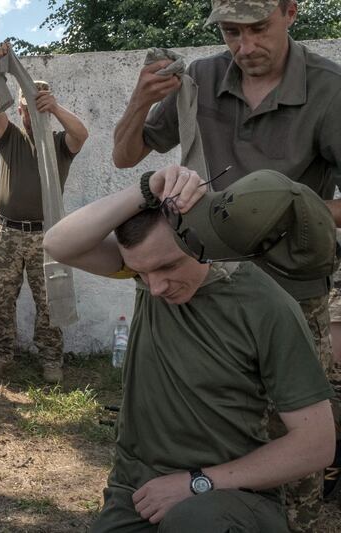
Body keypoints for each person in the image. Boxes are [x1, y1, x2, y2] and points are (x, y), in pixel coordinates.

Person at [111, 0, 341, 524]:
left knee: (295, 447)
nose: (245, 47)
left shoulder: (330, 89)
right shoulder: (202, 78)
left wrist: (286, 212)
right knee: (207, 426)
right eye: (232, 32)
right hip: (200, 283)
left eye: (258, 28)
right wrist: (138, 101)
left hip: (289, 293)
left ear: (290, 12)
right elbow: (126, 156)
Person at [44, 165, 336, 532]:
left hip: (229, 496)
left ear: (203, 241)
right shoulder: (150, 276)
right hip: (138, 488)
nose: (155, 288)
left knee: (194, 519)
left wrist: (197, 482)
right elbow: (58, 244)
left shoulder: (267, 308)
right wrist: (146, 188)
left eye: (167, 267)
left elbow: (316, 443)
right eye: (140, 273)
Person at [0, 41, 89, 383]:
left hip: (47, 233)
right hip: (7, 233)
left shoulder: (60, 144)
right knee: (1, 298)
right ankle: (0, 356)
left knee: (49, 303)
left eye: (39, 109)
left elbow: (82, 134)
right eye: (29, 109)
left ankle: (51, 361)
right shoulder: (11, 137)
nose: (33, 115)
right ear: (22, 111)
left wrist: (55, 109)